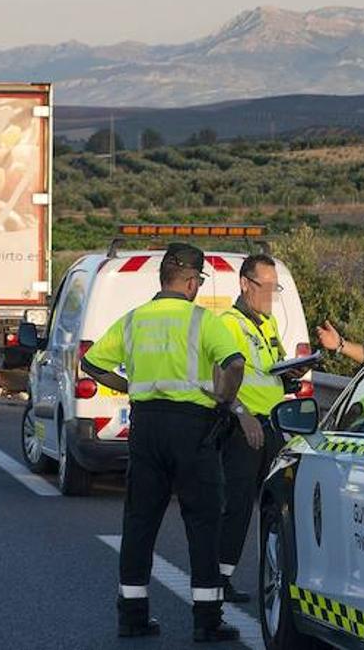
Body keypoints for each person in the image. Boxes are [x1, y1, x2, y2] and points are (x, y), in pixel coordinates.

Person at [81, 243, 247, 642]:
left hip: (146, 426)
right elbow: (235, 364)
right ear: (191, 281)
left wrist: (130, 388)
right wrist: (225, 397)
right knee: (203, 522)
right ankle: (207, 621)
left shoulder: (134, 320)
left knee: (140, 521)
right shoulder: (204, 321)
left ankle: (132, 617)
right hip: (193, 428)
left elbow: (91, 363)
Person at [215, 253, 305, 603]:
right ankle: (218, 581)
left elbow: (269, 370)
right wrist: (241, 413)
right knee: (236, 506)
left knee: (273, 507)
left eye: (275, 287)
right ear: (244, 283)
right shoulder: (228, 323)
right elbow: (219, 380)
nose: (270, 294)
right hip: (243, 426)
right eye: (265, 286)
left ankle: (276, 579)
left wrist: (291, 374)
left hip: (272, 425)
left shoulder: (265, 324)